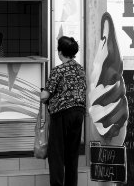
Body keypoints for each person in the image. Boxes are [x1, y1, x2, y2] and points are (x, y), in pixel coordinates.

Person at [41, 36, 86, 186]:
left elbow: (45, 96)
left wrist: (42, 93)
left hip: (62, 114)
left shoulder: (58, 70)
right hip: (79, 112)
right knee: (72, 154)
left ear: (60, 52)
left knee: (57, 154)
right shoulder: (80, 69)